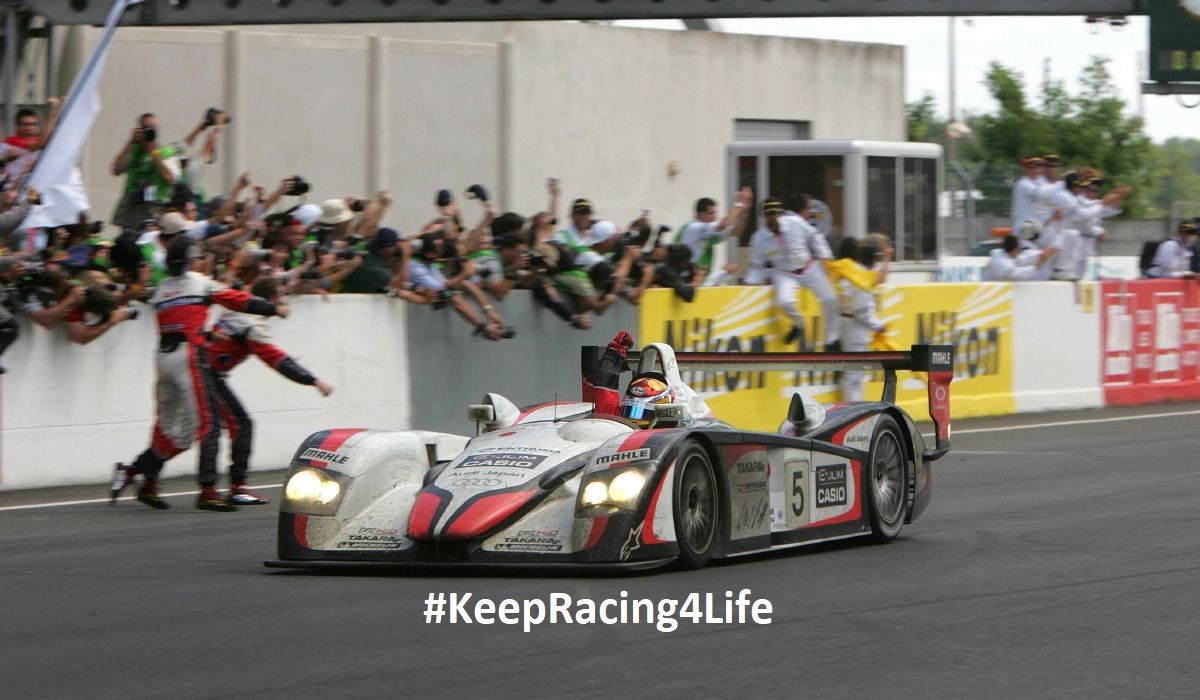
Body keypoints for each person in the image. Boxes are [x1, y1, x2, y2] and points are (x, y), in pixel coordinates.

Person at [110, 235, 288, 511]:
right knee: (208, 425)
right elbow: (238, 301)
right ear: (191, 260)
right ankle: (208, 490)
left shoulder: (160, 289)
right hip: (188, 359)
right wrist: (272, 308)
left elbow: (157, 302)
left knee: (170, 433)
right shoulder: (200, 283)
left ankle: (137, 475)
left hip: (162, 360)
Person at [204, 277, 334, 505]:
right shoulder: (252, 324)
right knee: (240, 425)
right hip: (206, 374)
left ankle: (138, 472)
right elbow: (276, 360)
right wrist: (313, 381)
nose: (284, 300)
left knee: (179, 433)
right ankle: (235, 487)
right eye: (281, 295)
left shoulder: (242, 309)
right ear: (273, 299)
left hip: (206, 372)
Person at [747, 197, 837, 349]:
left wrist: (825, 256)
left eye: (776, 213)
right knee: (784, 302)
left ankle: (832, 341)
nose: (773, 217)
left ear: (781, 213)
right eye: (770, 214)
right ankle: (799, 324)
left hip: (809, 267)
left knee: (830, 299)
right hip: (785, 273)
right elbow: (756, 266)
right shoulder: (759, 239)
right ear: (765, 216)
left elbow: (814, 236)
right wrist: (750, 282)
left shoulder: (795, 222)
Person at [830, 238, 885, 401]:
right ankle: (851, 414)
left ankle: (853, 410)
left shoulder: (854, 273)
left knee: (855, 374)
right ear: (872, 260)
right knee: (854, 375)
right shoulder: (860, 277)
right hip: (855, 328)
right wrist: (878, 326)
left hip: (849, 325)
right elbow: (861, 311)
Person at [111, 113, 181, 232]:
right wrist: (130, 142)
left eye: (152, 127)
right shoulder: (133, 152)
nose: (148, 130)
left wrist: (153, 152)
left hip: (153, 207)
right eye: (145, 127)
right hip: (132, 206)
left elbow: (170, 178)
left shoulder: (165, 152)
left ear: (158, 129)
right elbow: (116, 170)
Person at [675, 187, 752, 285]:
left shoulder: (707, 232)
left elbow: (736, 232)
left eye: (715, 213)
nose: (714, 217)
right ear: (698, 214)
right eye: (710, 213)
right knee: (726, 272)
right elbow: (724, 225)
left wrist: (744, 211)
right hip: (687, 279)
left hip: (698, 277)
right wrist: (739, 204)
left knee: (726, 273)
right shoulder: (695, 227)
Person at [984, 234, 1059, 281]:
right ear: (1015, 249)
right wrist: (1038, 265)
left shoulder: (1004, 254)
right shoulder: (1001, 263)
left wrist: (1042, 254)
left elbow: (1023, 259)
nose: (1020, 251)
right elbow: (1019, 274)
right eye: (1019, 248)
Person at [1010, 156, 1053, 236]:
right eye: (1032, 167)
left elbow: (1049, 202)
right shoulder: (1023, 184)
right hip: (1024, 228)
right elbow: (1040, 193)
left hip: (1039, 227)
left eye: (1039, 166)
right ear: (1026, 169)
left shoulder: (1043, 184)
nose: (1036, 170)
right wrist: (1059, 186)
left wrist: (1052, 209)